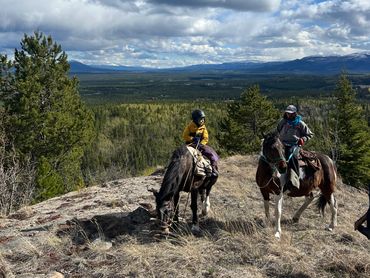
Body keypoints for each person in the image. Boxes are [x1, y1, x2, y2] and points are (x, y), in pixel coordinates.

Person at [277, 105, 314, 188]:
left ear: (294, 113)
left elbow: (310, 134)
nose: (288, 115)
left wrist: (303, 139)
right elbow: (278, 130)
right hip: (282, 143)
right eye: (287, 113)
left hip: (294, 144)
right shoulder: (283, 121)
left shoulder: (300, 123)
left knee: (291, 157)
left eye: (290, 113)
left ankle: (294, 179)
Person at [182, 109, 219, 177]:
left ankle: (213, 168)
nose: (202, 120)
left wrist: (201, 144)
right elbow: (185, 136)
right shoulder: (190, 127)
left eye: (203, 119)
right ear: (195, 119)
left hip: (200, 145)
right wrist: (192, 139)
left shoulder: (203, 127)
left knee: (210, 153)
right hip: (190, 144)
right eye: (200, 119)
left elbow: (205, 138)